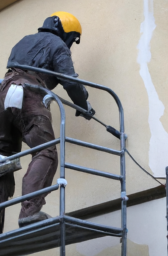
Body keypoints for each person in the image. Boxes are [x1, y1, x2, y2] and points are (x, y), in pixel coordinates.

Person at [0, 11, 93, 232]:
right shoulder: (57, 44)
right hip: (28, 92)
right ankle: (30, 213)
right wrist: (83, 104)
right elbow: (70, 82)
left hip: (2, 94)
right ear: (67, 33)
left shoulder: (23, 42)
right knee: (46, 152)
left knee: (3, 162)